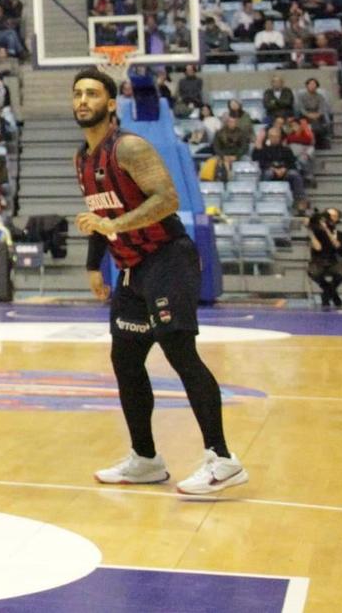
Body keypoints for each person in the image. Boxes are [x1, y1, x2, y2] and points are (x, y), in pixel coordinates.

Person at [74, 69, 247, 497]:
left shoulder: (129, 147)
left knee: (180, 352)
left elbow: (168, 199)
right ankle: (146, 459)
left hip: (168, 259)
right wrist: (95, 264)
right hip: (132, 271)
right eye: (77, 94)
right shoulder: (82, 158)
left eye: (92, 94)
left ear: (111, 104)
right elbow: (100, 213)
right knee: (126, 361)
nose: (83, 100)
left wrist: (110, 226)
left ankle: (222, 459)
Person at [309, 206, 342, 311]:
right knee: (314, 273)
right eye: (328, 216)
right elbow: (318, 248)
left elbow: (338, 247)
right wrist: (311, 232)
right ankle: (332, 294)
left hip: (333, 260)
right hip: (318, 260)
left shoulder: (340, 234)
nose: (329, 218)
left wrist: (327, 230)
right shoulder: (316, 232)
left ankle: (326, 295)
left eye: (333, 216)